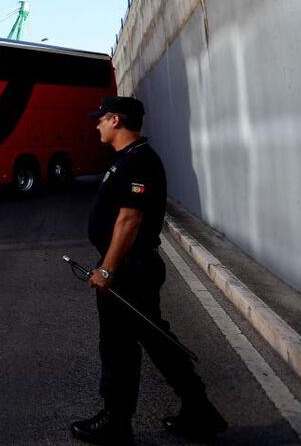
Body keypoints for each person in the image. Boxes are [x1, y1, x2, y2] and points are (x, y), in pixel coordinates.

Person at [71, 96, 227, 445]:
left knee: (120, 346)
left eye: (100, 118)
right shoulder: (127, 159)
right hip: (127, 265)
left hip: (129, 268)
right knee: (151, 341)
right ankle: (198, 411)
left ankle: (118, 421)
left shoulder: (139, 162)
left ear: (115, 120)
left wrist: (108, 270)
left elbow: (130, 220)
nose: (96, 124)